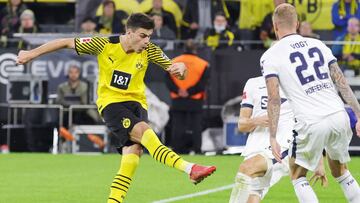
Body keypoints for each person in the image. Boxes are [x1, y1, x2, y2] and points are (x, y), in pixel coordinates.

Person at [17, 13, 216, 203]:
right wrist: (31, 53)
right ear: (129, 33)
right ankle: (189, 168)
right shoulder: (104, 44)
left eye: (149, 36)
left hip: (137, 103)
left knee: (133, 154)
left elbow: (174, 67)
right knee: (145, 134)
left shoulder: (150, 50)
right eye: (143, 36)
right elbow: (65, 42)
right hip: (111, 103)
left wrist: (181, 69)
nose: (147, 41)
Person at [262, 3, 360, 202]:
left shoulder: (270, 55)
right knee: (341, 172)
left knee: (297, 176)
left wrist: (272, 136)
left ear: (275, 26)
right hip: (338, 116)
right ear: (297, 24)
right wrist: (359, 114)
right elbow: (341, 81)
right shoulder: (318, 45)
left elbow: (274, 99)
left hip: (310, 121)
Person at [229, 76, 326, 203]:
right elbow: (242, 125)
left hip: (282, 146)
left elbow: (311, 122)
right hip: (254, 148)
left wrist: (319, 161)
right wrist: (256, 120)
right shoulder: (253, 83)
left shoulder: (296, 84)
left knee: (246, 169)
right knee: (252, 196)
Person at [165, 39, 209, 154]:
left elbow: (168, 80)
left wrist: (179, 90)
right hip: (195, 99)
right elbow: (203, 84)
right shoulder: (203, 64)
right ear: (195, 49)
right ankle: (197, 150)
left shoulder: (173, 62)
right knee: (196, 126)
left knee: (178, 125)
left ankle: (177, 150)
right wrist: (189, 92)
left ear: (184, 48)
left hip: (178, 99)